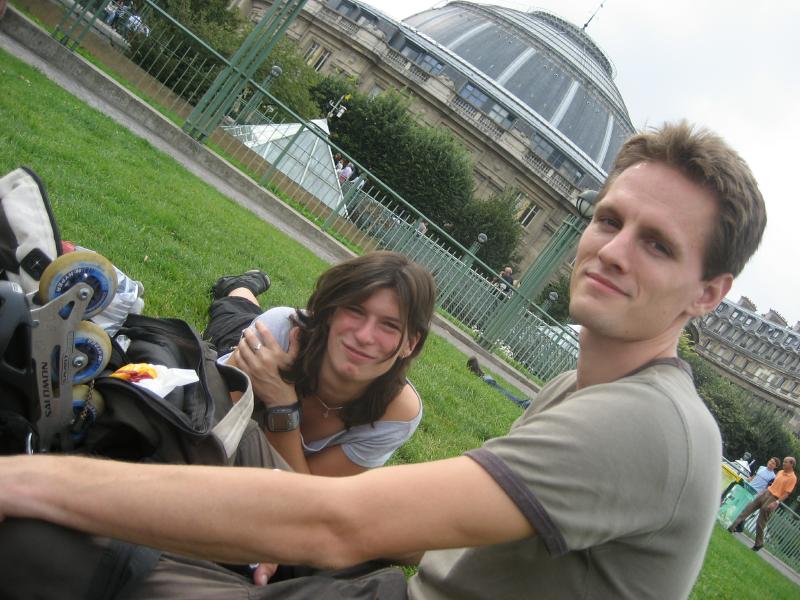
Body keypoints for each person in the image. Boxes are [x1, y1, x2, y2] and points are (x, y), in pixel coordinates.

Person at [0, 121, 768, 599]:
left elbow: (335, 519)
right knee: (195, 421)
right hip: (373, 583)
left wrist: (26, 482)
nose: (614, 250)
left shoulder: (649, 426)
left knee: (44, 547)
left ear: (708, 293)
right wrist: (301, 535)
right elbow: (409, 529)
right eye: (609, 219)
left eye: (657, 243)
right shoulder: (582, 384)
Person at [203, 251, 435, 477]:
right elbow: (211, 424)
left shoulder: (397, 412)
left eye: (389, 325)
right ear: (331, 311)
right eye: (355, 311)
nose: (364, 336)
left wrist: (282, 404)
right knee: (233, 311)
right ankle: (241, 286)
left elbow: (305, 491)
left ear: (410, 344)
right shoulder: (278, 331)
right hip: (243, 340)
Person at [728, 457, 797, 550]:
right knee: (747, 509)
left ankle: (759, 543)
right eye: (784, 462)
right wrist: (763, 492)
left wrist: (776, 502)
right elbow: (772, 484)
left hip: (774, 498)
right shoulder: (780, 472)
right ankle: (732, 527)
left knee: (760, 522)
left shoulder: (793, 478)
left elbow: (787, 493)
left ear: (791, 464)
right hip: (766, 493)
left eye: (785, 462)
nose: (783, 463)